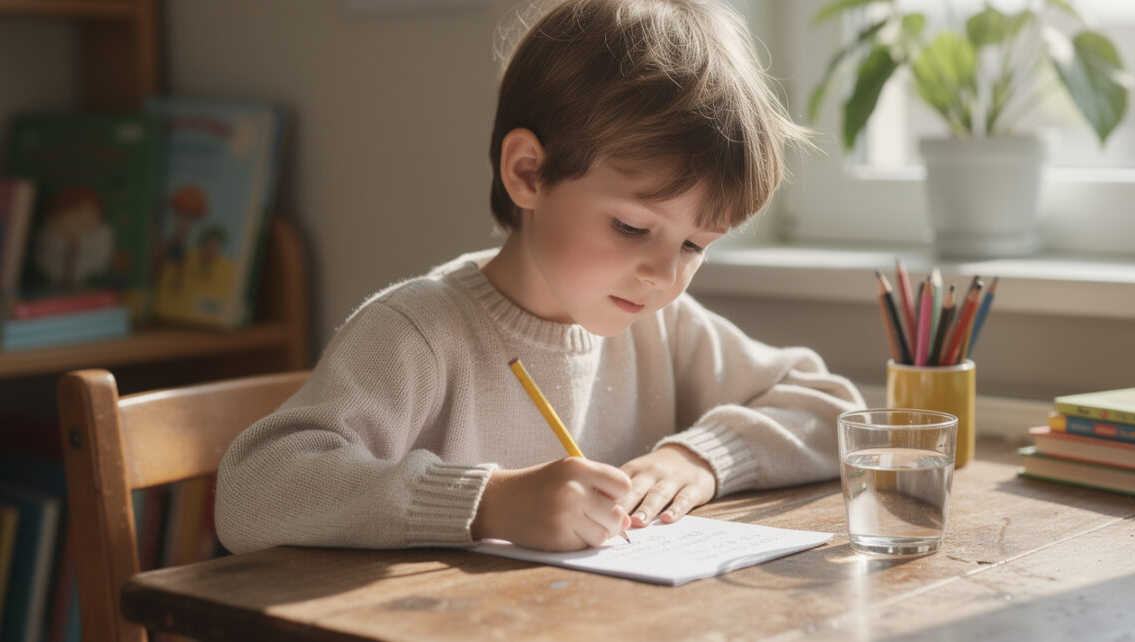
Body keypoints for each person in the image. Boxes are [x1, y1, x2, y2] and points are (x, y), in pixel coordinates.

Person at [215, 0, 864, 554]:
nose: (665, 275)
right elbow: (253, 491)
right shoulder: (419, 332)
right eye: (634, 228)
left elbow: (834, 407)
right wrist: (488, 503)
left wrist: (699, 458)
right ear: (527, 173)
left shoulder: (663, 328)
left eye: (696, 244)